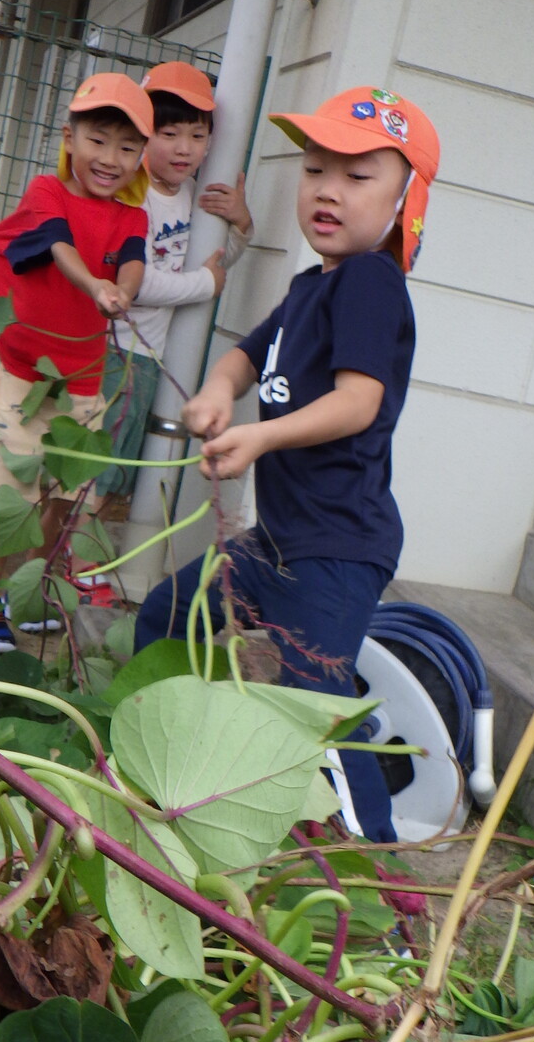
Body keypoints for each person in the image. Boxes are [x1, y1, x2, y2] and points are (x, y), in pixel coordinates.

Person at [134, 86, 439, 843]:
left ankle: (371, 868)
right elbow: (245, 352)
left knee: (318, 706)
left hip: (336, 548)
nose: (328, 190)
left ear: (406, 201)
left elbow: (357, 403)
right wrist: (215, 389)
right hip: (278, 541)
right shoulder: (312, 287)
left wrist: (260, 438)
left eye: (358, 175)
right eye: (314, 170)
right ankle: (188, 768)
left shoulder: (372, 281)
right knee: (168, 616)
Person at [0, 72, 152, 649]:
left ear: (142, 157)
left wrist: (125, 290)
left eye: (128, 147)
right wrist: (95, 285)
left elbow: (133, 262)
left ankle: (23, 594)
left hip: (83, 382)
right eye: (98, 140)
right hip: (25, 376)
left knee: (60, 497)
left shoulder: (133, 218)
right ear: (69, 137)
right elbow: (59, 246)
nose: (111, 158)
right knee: (7, 498)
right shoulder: (47, 193)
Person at [98, 61, 253, 507]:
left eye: (198, 135)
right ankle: (75, 565)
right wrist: (204, 285)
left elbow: (211, 267)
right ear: (142, 133)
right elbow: (137, 284)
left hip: (150, 356)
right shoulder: (133, 194)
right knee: (95, 474)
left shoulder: (191, 195)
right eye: (168, 134)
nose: (184, 148)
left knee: (116, 475)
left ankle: (74, 564)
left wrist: (240, 226)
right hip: (115, 350)